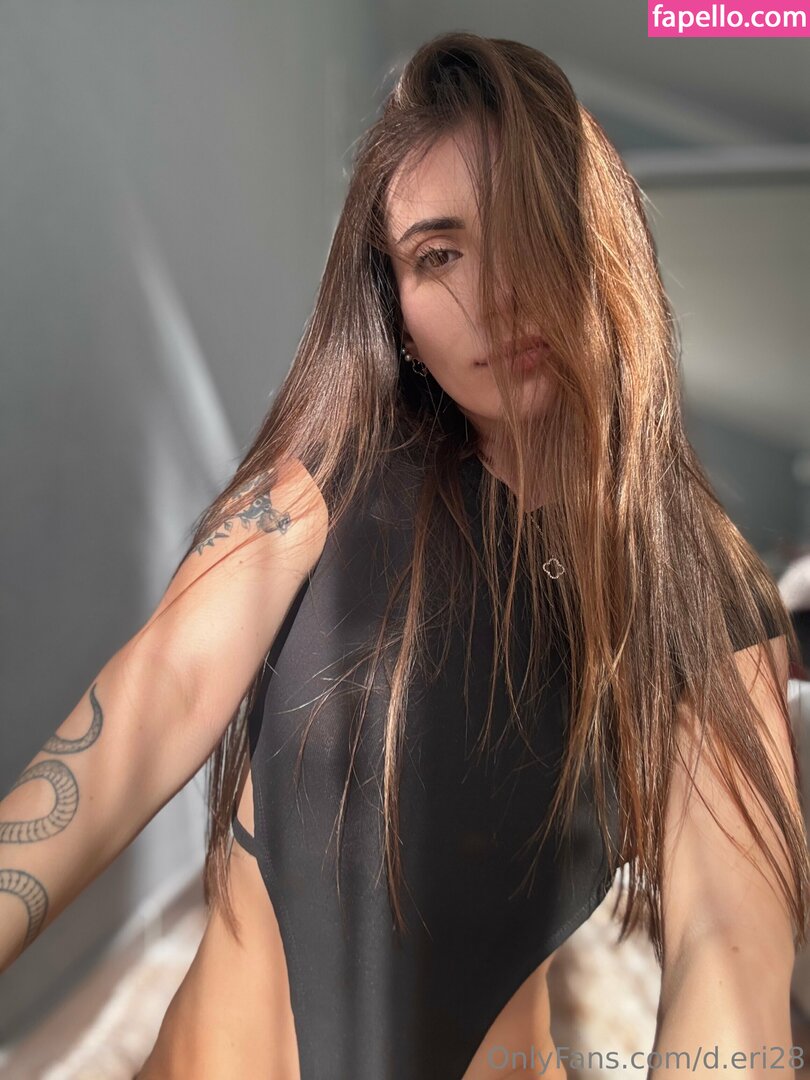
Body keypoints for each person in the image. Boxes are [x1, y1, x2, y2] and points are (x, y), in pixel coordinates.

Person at [2, 31, 807, 1080]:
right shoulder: (331, 478)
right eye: (439, 255)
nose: (495, 294)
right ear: (398, 307)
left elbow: (729, 946)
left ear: (596, 234)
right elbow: (153, 699)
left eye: (526, 224)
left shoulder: (700, 584)